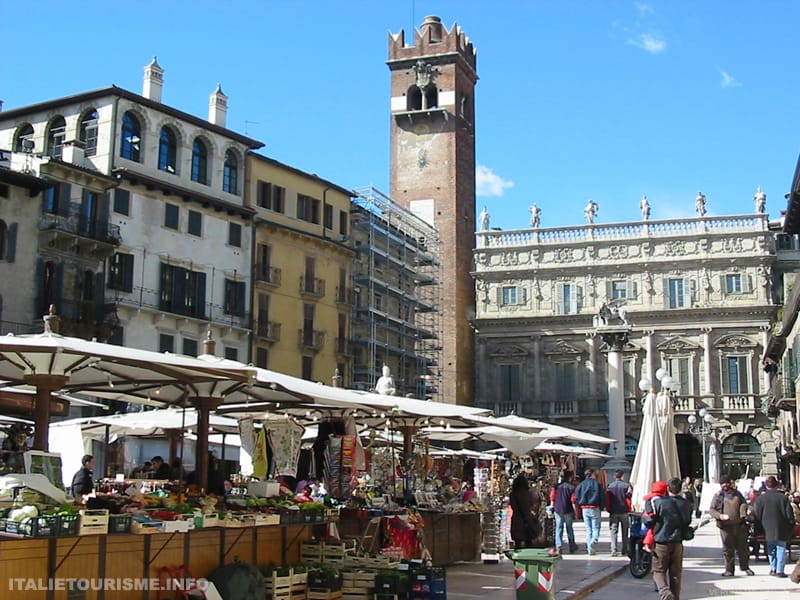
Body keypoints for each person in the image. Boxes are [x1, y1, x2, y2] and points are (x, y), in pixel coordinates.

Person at [643, 477, 692, 600]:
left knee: (658, 570)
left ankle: (665, 592)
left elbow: (650, 521)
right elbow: (688, 521)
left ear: (667, 489)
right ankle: (675, 597)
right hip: (678, 542)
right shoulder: (685, 504)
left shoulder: (660, 503)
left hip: (662, 541)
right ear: (680, 489)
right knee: (676, 573)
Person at [708, 474, 754, 577]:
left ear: (730, 483)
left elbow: (743, 503)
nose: (725, 485)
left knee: (743, 549)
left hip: (739, 525)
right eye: (722, 483)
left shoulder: (737, 494)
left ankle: (745, 567)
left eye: (726, 483)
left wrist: (743, 513)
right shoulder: (718, 496)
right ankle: (729, 570)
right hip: (725, 527)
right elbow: (712, 509)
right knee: (728, 549)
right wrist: (720, 516)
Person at [754, 475, 794, 577]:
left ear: (766, 486)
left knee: (770, 548)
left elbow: (757, 515)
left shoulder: (760, 499)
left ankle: (773, 568)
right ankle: (779, 570)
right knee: (781, 548)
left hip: (767, 528)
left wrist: (757, 529)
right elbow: (789, 515)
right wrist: (791, 525)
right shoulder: (783, 498)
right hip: (782, 527)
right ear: (777, 485)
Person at [574, 468, 605, 555]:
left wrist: (580, 505)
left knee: (588, 529)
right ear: (592, 474)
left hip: (584, 508)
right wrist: (602, 507)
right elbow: (602, 496)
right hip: (595, 507)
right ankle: (594, 540)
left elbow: (576, 496)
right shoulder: (597, 484)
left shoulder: (581, 485)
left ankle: (590, 549)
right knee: (595, 527)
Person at [550, 470, 579, 554]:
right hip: (568, 510)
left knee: (558, 528)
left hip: (558, 509)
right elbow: (573, 500)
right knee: (569, 528)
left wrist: (552, 508)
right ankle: (572, 546)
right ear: (570, 478)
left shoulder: (556, 487)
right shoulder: (571, 487)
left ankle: (558, 546)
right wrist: (575, 512)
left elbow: (552, 497)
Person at [606, 469, 632, 557]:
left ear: (615, 476)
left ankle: (613, 549)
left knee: (613, 530)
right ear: (622, 476)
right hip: (624, 510)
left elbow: (608, 498)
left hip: (613, 511)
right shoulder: (627, 486)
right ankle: (624, 549)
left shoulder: (610, 486)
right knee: (625, 531)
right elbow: (629, 496)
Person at [509, 474, 540, 549]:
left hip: (516, 519)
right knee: (528, 542)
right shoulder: (527, 493)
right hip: (526, 519)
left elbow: (513, 505)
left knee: (518, 544)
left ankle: (517, 559)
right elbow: (530, 505)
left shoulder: (512, 494)